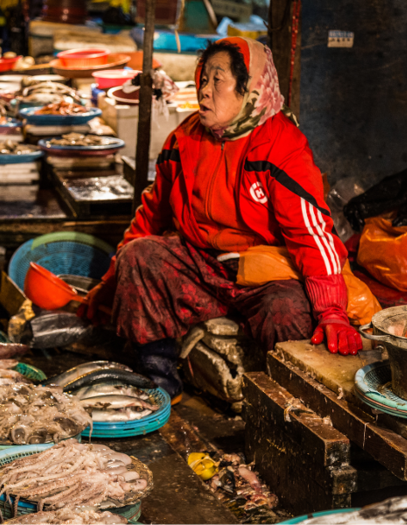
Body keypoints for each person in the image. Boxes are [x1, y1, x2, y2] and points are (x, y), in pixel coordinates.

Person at [78, 36, 363, 400]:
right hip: (201, 267)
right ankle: (158, 374)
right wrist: (111, 280)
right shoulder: (185, 139)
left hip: (261, 277)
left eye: (218, 79)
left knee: (289, 309)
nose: (204, 91)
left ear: (251, 89)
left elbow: (312, 233)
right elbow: (151, 213)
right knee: (140, 256)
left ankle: (272, 398)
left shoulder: (281, 145)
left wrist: (333, 312)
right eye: (203, 78)